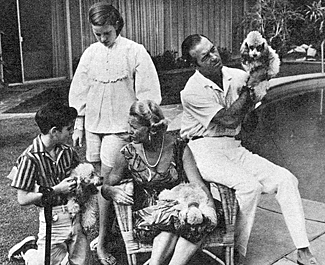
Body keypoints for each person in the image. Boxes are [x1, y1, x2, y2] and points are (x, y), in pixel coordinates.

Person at [180, 34, 319, 265]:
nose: (215, 57)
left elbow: (248, 123)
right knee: (250, 187)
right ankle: (238, 254)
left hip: (234, 146)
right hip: (202, 150)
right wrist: (250, 88)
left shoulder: (237, 76)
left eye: (213, 49)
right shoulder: (190, 91)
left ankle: (303, 249)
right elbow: (228, 119)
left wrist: (255, 97)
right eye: (206, 57)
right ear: (194, 64)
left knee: (286, 179)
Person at [68, 2, 161, 264]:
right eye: (97, 34)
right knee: (99, 181)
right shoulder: (90, 53)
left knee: (109, 181)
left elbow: (148, 95)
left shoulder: (134, 51)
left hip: (120, 127)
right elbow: (80, 91)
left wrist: (143, 124)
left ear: (117, 26)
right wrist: (78, 124)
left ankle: (103, 241)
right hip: (93, 127)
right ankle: (107, 233)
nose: (102, 38)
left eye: (106, 33)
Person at [101, 100, 219, 265]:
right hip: (146, 217)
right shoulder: (128, 153)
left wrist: (209, 209)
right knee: (175, 219)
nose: (129, 131)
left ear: (153, 130)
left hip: (175, 209)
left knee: (196, 218)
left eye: (134, 128)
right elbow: (106, 186)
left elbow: (197, 184)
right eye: (129, 125)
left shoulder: (178, 147)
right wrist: (111, 191)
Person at [9, 102, 90, 265]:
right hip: (51, 218)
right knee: (48, 261)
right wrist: (56, 190)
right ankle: (29, 252)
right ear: (54, 131)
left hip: (74, 213)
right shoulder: (30, 158)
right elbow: (22, 199)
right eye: (69, 128)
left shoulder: (68, 152)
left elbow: (80, 174)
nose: (72, 132)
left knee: (82, 261)